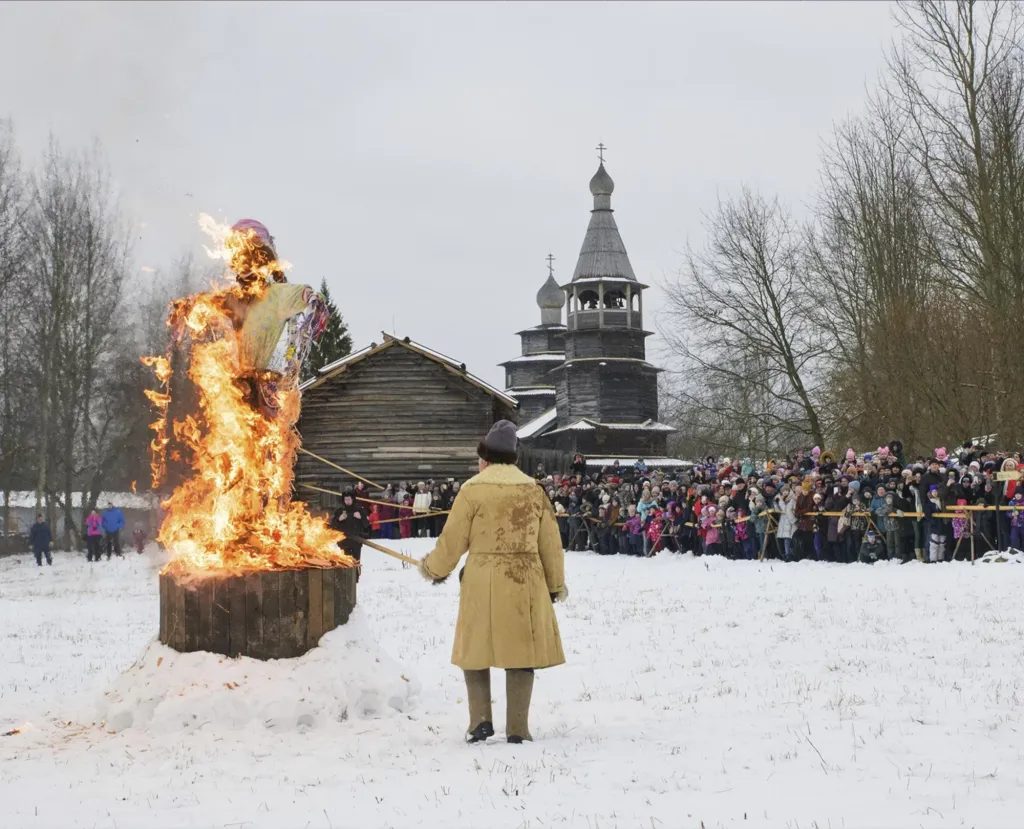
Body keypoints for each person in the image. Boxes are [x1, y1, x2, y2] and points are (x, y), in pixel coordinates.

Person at [418, 420, 566, 744]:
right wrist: (555, 585)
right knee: (522, 650)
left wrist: (433, 568)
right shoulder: (533, 490)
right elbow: (551, 544)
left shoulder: (472, 489)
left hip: (481, 577)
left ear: (484, 457)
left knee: (476, 648)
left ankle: (480, 723)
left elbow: (452, 540)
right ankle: (518, 729)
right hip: (525, 579)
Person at [331, 489, 370, 579]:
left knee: (356, 561)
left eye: (349, 499)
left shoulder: (359, 510)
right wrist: (339, 519)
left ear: (352, 499)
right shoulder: (340, 511)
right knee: (345, 561)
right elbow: (333, 525)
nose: (347, 501)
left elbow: (366, 524)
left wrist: (360, 518)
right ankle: (345, 578)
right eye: (345, 499)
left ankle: (356, 578)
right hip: (344, 541)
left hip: (356, 540)